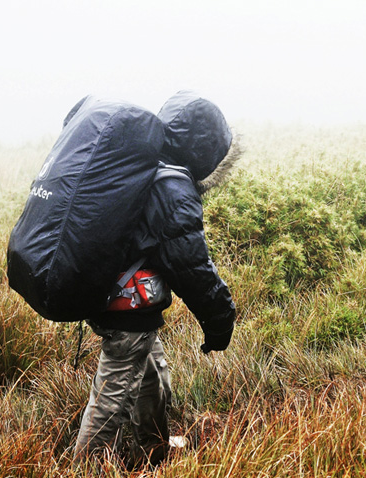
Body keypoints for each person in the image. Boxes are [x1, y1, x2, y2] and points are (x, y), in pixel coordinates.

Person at [73, 91, 239, 468]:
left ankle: (154, 449)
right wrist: (220, 323)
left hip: (115, 297)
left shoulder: (142, 167)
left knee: (152, 378)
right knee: (112, 396)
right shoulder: (171, 187)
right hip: (126, 308)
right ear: (203, 150)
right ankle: (83, 469)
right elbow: (193, 269)